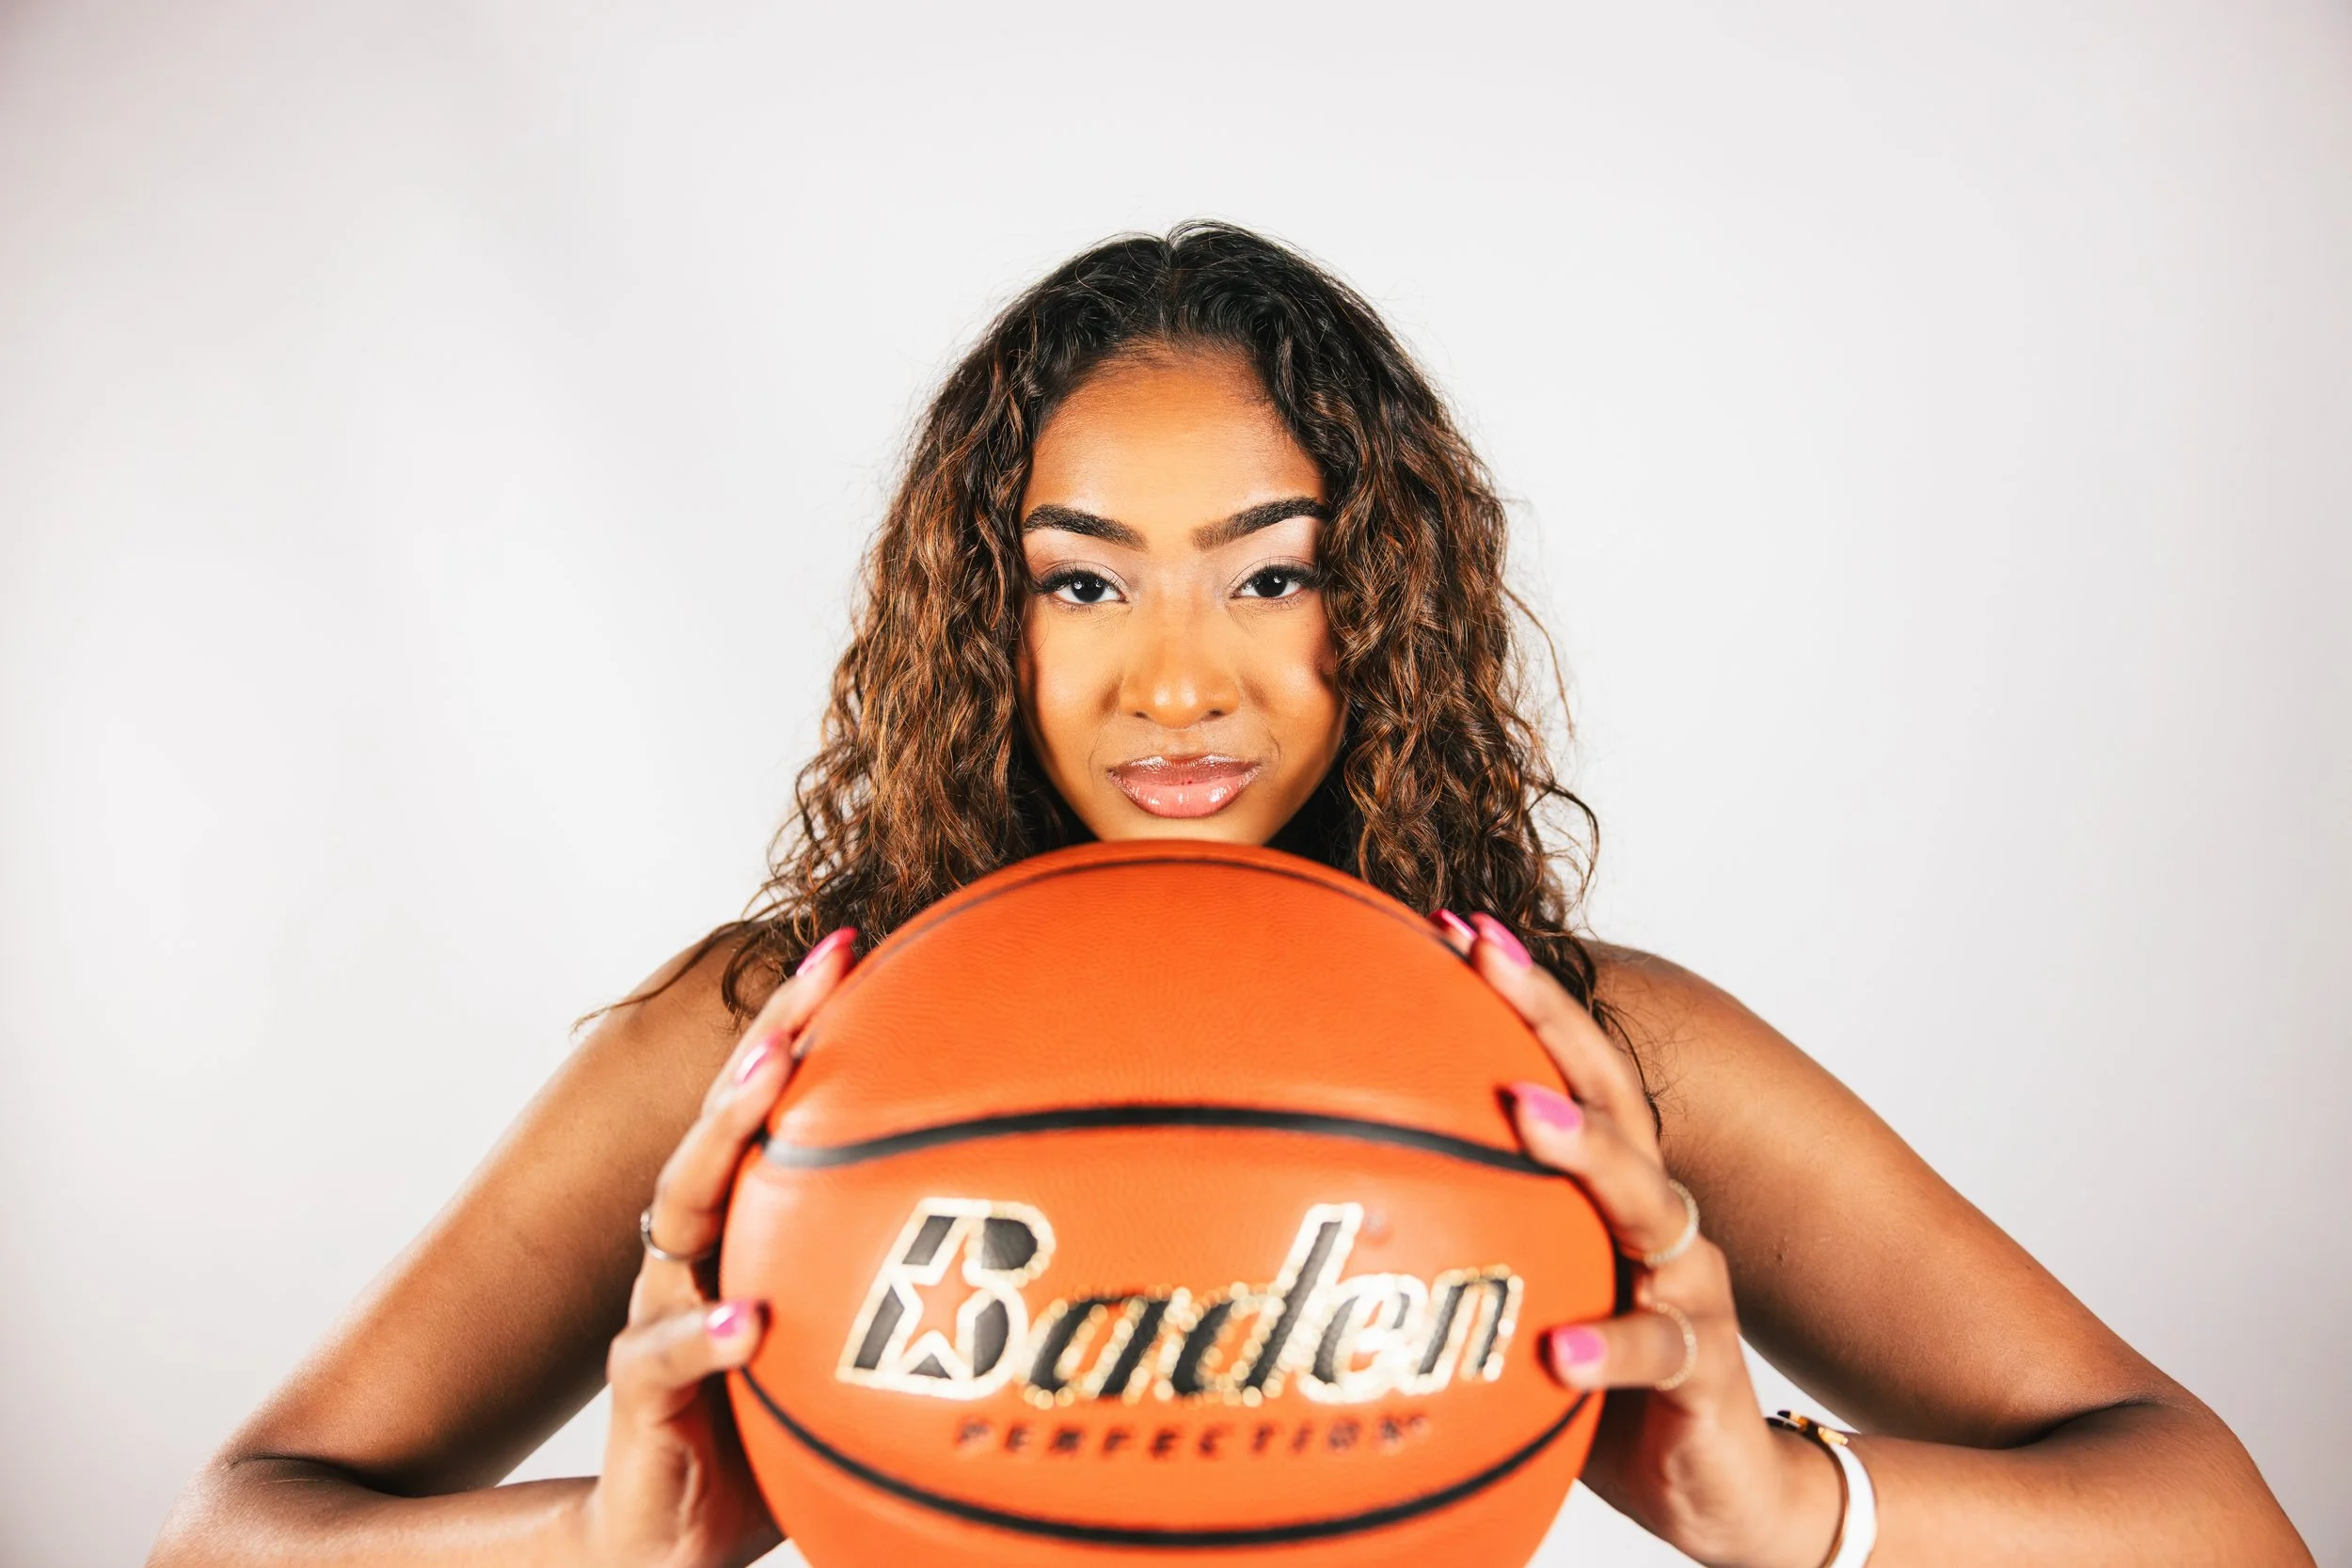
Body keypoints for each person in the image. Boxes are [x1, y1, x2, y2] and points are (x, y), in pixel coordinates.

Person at [148, 222, 2310, 1568]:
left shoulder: (1572, 1051)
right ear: (967, 620)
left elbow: (2215, 1519)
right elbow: (230, 1529)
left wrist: (1785, 1504)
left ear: (1385, 601)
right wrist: (614, 1545)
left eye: (1272, 574)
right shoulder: (781, 1039)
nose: (1173, 676)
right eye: (1077, 579)